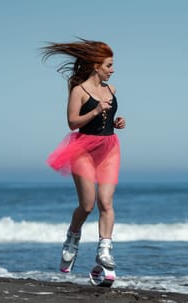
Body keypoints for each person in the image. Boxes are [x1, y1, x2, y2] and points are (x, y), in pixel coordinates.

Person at [41, 39, 126, 272]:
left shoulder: (112, 89)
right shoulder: (79, 90)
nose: (113, 70)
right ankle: (72, 237)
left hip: (109, 148)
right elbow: (72, 123)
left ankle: (105, 249)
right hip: (83, 149)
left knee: (106, 201)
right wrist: (97, 110)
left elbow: (105, 120)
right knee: (88, 205)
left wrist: (116, 122)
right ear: (96, 66)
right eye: (109, 65)